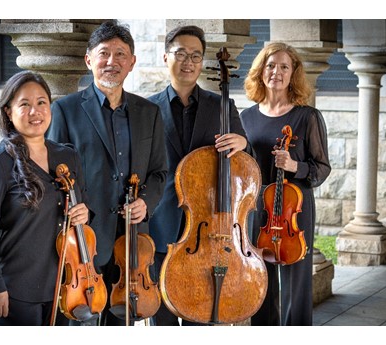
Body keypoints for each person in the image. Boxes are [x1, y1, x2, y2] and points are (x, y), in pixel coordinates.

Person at [46, 20, 167, 326]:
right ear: (89, 60)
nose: (112, 61)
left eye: (120, 54)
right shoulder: (64, 110)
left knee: (121, 321)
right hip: (87, 238)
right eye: (104, 54)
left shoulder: (149, 113)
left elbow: (159, 172)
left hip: (132, 241)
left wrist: (147, 203)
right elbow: (53, 174)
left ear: (132, 63)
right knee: (80, 322)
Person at [0, 70, 92, 326]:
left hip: (63, 286)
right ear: (8, 112)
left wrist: (85, 213)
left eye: (41, 103)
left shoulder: (68, 157)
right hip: (15, 290)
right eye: (24, 104)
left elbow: (83, 205)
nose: (35, 111)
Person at [148, 25, 251, 326]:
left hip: (207, 231)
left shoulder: (222, 106)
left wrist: (243, 144)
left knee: (203, 315)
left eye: (195, 55)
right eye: (180, 53)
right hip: (161, 226)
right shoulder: (146, 109)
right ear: (166, 56)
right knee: (162, 317)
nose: (188, 62)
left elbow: (247, 166)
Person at [240, 42, 331, 326]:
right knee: (262, 280)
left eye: (283, 67)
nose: (276, 72)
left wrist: (295, 166)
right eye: (270, 66)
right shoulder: (246, 118)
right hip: (259, 210)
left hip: (294, 210)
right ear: (260, 71)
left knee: (296, 285)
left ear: (293, 74)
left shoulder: (307, 117)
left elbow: (322, 168)